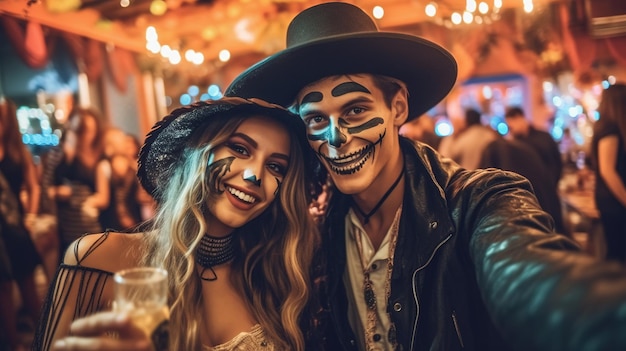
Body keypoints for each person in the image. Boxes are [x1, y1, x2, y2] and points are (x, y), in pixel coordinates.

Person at [226, 2, 626, 350]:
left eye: (355, 111)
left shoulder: (477, 203)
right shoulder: (318, 229)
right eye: (316, 119)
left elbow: (532, 279)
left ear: (398, 106)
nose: (336, 138)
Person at [33, 97, 319, 351]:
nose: (254, 175)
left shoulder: (272, 277)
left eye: (276, 166)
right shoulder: (98, 258)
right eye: (240, 149)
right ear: (196, 151)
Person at [0, 97, 43, 351]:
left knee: (28, 285)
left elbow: (33, 187)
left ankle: (42, 337)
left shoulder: (18, 152)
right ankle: (14, 344)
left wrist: (32, 215)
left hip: (16, 227)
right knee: (3, 288)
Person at [48, 108, 110, 252]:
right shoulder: (61, 156)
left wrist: (89, 202)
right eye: (81, 130)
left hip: (90, 225)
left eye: (89, 130)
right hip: (67, 226)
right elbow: (47, 189)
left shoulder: (99, 160)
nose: (85, 135)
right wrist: (58, 192)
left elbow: (104, 197)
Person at [591, 83, 626, 263]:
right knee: (618, 254)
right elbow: (608, 170)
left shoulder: (607, 126)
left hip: (609, 199)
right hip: (614, 201)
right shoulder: (610, 128)